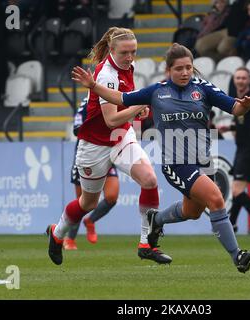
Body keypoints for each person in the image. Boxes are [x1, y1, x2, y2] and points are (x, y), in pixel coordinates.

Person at [72, 43, 250, 273]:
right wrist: (93, 85)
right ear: (168, 70)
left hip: (202, 161)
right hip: (177, 164)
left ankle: (156, 220)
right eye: (179, 68)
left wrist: (245, 107)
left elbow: (235, 108)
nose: (184, 73)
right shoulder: (156, 91)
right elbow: (120, 97)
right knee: (217, 199)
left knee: (192, 212)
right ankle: (237, 256)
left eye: (188, 68)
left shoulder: (203, 89)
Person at [46, 27, 172, 266]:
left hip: (120, 137)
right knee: (88, 203)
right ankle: (57, 233)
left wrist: (137, 109)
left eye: (133, 51)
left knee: (149, 180)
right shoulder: (107, 75)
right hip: (95, 145)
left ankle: (147, 243)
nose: (130, 57)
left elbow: (121, 114)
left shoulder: (127, 67)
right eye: (125, 52)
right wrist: (140, 106)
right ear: (112, 50)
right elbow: (111, 119)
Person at [63, 99, 119, 250]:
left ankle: (91, 221)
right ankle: (69, 238)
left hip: (108, 155)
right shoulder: (86, 103)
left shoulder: (115, 98)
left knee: (112, 197)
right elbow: (77, 129)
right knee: (83, 203)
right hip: (88, 156)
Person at [219, 67, 250, 236]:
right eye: (238, 78)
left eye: (243, 78)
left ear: (249, 80)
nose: (240, 80)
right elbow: (246, 124)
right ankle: (232, 224)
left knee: (237, 191)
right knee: (237, 190)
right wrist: (231, 127)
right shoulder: (239, 99)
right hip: (241, 148)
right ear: (234, 80)